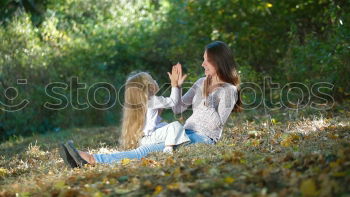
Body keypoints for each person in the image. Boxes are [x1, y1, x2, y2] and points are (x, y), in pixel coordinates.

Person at [59, 41, 241, 168]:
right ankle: (86, 159)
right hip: (183, 134)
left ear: (218, 61)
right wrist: (175, 87)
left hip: (203, 139)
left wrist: (208, 99)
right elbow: (178, 108)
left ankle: (92, 159)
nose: (202, 64)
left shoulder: (229, 90)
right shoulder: (201, 81)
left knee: (145, 151)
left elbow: (218, 123)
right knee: (143, 148)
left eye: (206, 60)